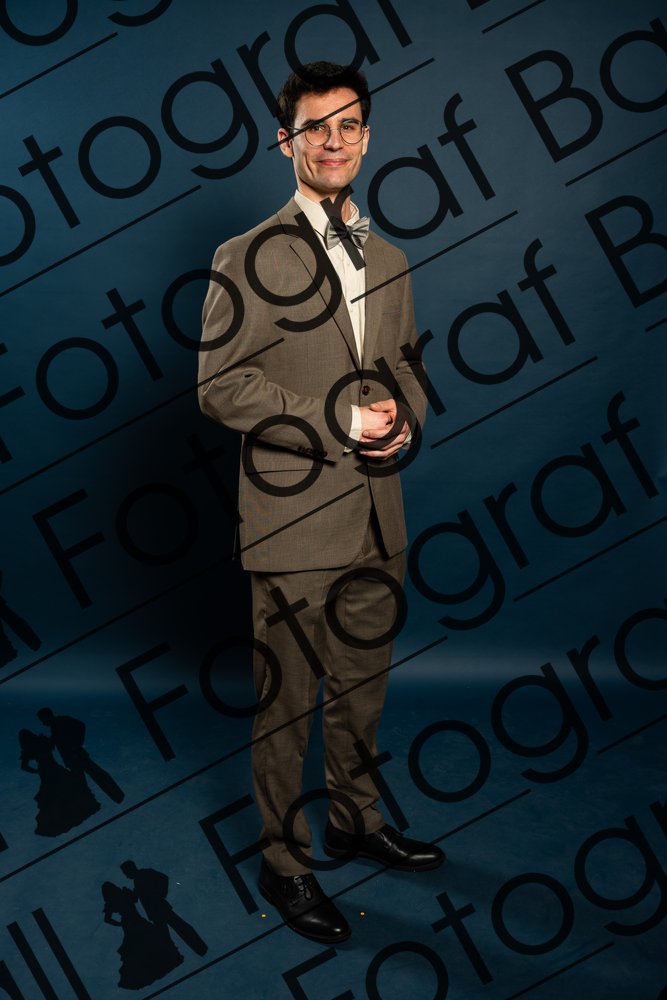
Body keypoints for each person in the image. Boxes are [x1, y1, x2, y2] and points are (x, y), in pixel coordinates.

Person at [199, 60, 443, 944]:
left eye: (347, 126)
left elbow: (406, 366)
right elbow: (220, 387)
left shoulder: (392, 257)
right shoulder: (244, 255)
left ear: (365, 138)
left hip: (379, 513)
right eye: (315, 128)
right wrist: (338, 419)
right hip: (293, 522)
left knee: (363, 689)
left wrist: (403, 422)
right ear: (285, 141)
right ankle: (284, 860)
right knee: (288, 704)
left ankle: (355, 820)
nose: (332, 142)